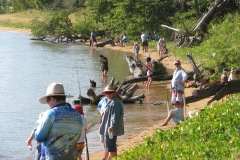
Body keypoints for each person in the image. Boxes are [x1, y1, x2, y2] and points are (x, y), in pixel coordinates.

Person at [34, 82, 83, 160]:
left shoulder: (50, 114)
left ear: (52, 99)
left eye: (47, 100)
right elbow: (78, 137)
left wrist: (36, 130)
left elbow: (39, 137)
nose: (48, 104)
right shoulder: (77, 115)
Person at [98, 85, 124, 160]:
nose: (108, 94)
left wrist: (112, 126)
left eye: (110, 93)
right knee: (110, 146)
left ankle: (113, 158)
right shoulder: (111, 101)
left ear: (114, 93)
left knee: (110, 146)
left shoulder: (115, 102)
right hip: (108, 128)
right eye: (106, 93)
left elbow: (114, 115)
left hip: (110, 128)